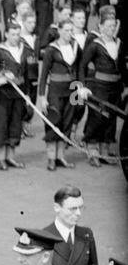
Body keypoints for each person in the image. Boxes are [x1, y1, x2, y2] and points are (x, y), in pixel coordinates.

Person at [37, 17, 85, 170]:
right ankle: (51, 158)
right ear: (59, 31)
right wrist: (42, 97)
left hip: (71, 90)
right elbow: (44, 74)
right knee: (54, 122)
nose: (69, 33)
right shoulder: (51, 49)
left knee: (67, 122)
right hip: (55, 91)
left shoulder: (76, 46)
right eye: (66, 30)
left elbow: (79, 69)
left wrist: (80, 87)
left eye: (71, 30)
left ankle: (61, 157)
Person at [81, 8, 123, 167]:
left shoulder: (119, 44)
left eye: (114, 26)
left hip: (115, 88)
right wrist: (82, 86)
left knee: (111, 119)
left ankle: (105, 151)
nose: (112, 29)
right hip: (99, 87)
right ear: (101, 27)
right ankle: (92, 150)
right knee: (97, 117)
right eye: (109, 26)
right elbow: (82, 65)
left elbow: (123, 70)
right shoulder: (95, 45)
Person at [0, 18, 31, 170]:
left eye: (18, 34)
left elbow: (27, 74)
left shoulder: (24, 49)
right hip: (4, 95)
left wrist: (28, 94)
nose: (16, 37)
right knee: (2, 125)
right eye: (13, 34)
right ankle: (0, 158)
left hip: (19, 95)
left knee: (15, 126)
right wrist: (3, 77)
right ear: (6, 34)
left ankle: (11, 157)